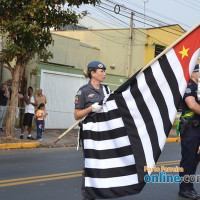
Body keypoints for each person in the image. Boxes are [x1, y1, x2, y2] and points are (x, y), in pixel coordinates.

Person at [74, 61, 111, 200]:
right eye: (101, 71)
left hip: (105, 133)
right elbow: (76, 115)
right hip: (90, 134)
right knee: (90, 165)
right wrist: (90, 109)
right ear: (93, 73)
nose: (104, 74)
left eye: (104, 71)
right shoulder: (83, 91)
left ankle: (100, 192)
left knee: (103, 164)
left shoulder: (107, 90)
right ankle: (88, 197)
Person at [178, 64, 200, 199]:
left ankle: (189, 186)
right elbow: (191, 104)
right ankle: (184, 188)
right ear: (193, 74)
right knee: (188, 159)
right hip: (191, 129)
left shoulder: (197, 88)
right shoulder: (189, 86)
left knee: (195, 160)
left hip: (197, 129)